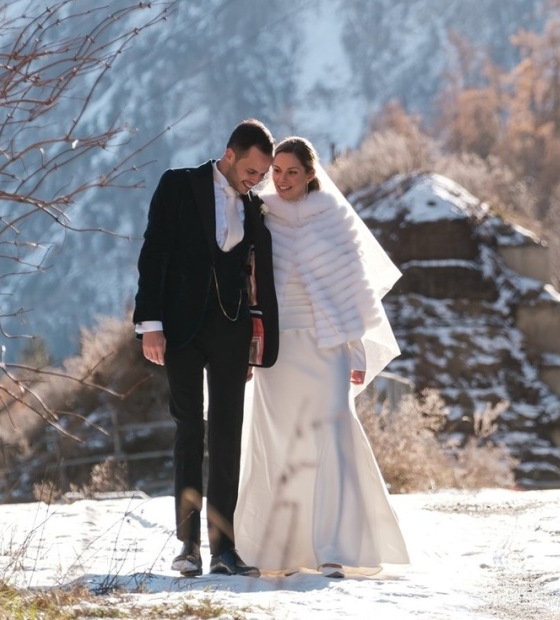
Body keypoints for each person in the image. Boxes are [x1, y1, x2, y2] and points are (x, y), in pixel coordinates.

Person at [236, 136, 410, 577]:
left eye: (292, 171)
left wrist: (355, 350)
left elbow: (352, 287)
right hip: (276, 350)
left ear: (311, 174)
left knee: (333, 436)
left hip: (326, 344)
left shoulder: (334, 217)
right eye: (277, 171)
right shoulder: (259, 213)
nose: (283, 179)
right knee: (279, 441)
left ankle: (334, 548)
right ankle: (283, 551)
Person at [133, 119, 279, 578]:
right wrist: (150, 324)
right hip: (179, 329)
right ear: (230, 154)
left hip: (233, 332)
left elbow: (256, 278)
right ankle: (188, 546)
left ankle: (224, 549)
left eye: (262, 175)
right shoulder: (179, 184)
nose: (255, 181)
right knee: (189, 430)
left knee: (227, 434)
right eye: (251, 170)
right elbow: (154, 252)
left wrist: (258, 344)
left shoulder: (255, 207)